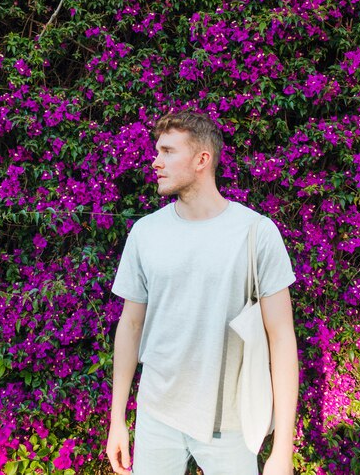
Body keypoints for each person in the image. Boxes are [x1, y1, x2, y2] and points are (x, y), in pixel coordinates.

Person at [106, 110, 298, 475]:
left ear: (201, 160)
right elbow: (130, 327)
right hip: (156, 418)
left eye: (167, 151)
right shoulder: (146, 233)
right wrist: (118, 419)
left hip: (231, 425)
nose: (155, 161)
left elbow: (282, 338)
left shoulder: (255, 232)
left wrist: (283, 450)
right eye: (156, 151)